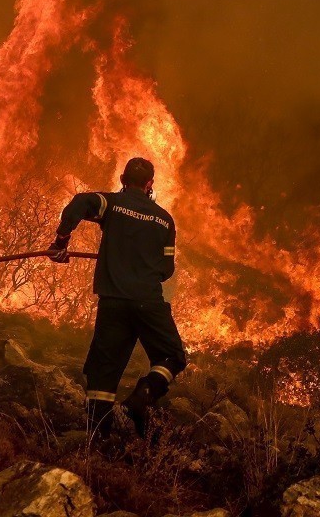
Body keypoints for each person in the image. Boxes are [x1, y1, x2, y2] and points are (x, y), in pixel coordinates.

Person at [48, 156, 187, 441]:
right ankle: (143, 395)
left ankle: (97, 436)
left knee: (103, 372)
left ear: (123, 180)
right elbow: (165, 270)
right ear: (150, 184)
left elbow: (78, 204)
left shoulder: (111, 204)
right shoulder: (165, 220)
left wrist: (61, 242)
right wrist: (141, 263)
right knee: (173, 356)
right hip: (148, 302)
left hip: (113, 302)